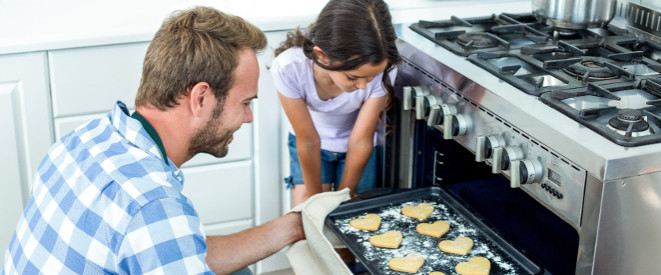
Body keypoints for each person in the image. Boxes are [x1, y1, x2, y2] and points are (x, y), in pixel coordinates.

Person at [2, 6, 303, 275]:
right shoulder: (151, 203)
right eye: (245, 103)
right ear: (200, 97)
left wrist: (291, 228)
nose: (248, 118)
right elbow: (158, 230)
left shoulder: (86, 138)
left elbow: (172, 249)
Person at [271, 0, 401, 206]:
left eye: (370, 78)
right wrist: (316, 203)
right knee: (306, 207)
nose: (363, 87)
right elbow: (308, 140)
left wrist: (345, 196)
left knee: (354, 209)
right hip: (310, 142)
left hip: (358, 145)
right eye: (352, 77)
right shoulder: (288, 68)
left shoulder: (383, 70)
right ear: (322, 55)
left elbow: (360, 140)